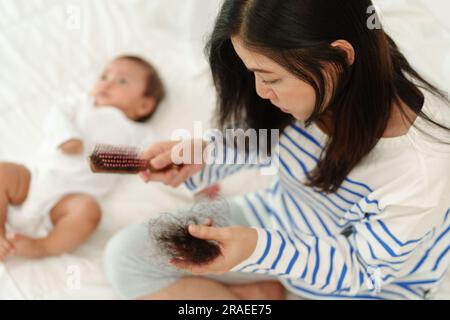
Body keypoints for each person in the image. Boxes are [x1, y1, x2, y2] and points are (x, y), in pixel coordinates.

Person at [104, 0, 450, 300]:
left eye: (270, 78)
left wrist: (260, 250)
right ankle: (258, 295)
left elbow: (363, 269)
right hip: (280, 218)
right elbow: (268, 138)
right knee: (126, 258)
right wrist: (204, 156)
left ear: (340, 56)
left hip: (364, 281)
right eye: (253, 73)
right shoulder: (323, 83)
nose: (260, 91)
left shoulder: (421, 164)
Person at [0, 55, 165, 260]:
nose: (107, 83)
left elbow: (160, 160)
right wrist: (67, 135)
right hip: (32, 181)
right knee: (3, 172)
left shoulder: (142, 134)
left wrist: (194, 183)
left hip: (65, 203)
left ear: (144, 105)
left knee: (89, 211)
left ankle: (43, 247)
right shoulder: (82, 104)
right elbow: (57, 113)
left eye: (122, 81)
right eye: (104, 76)